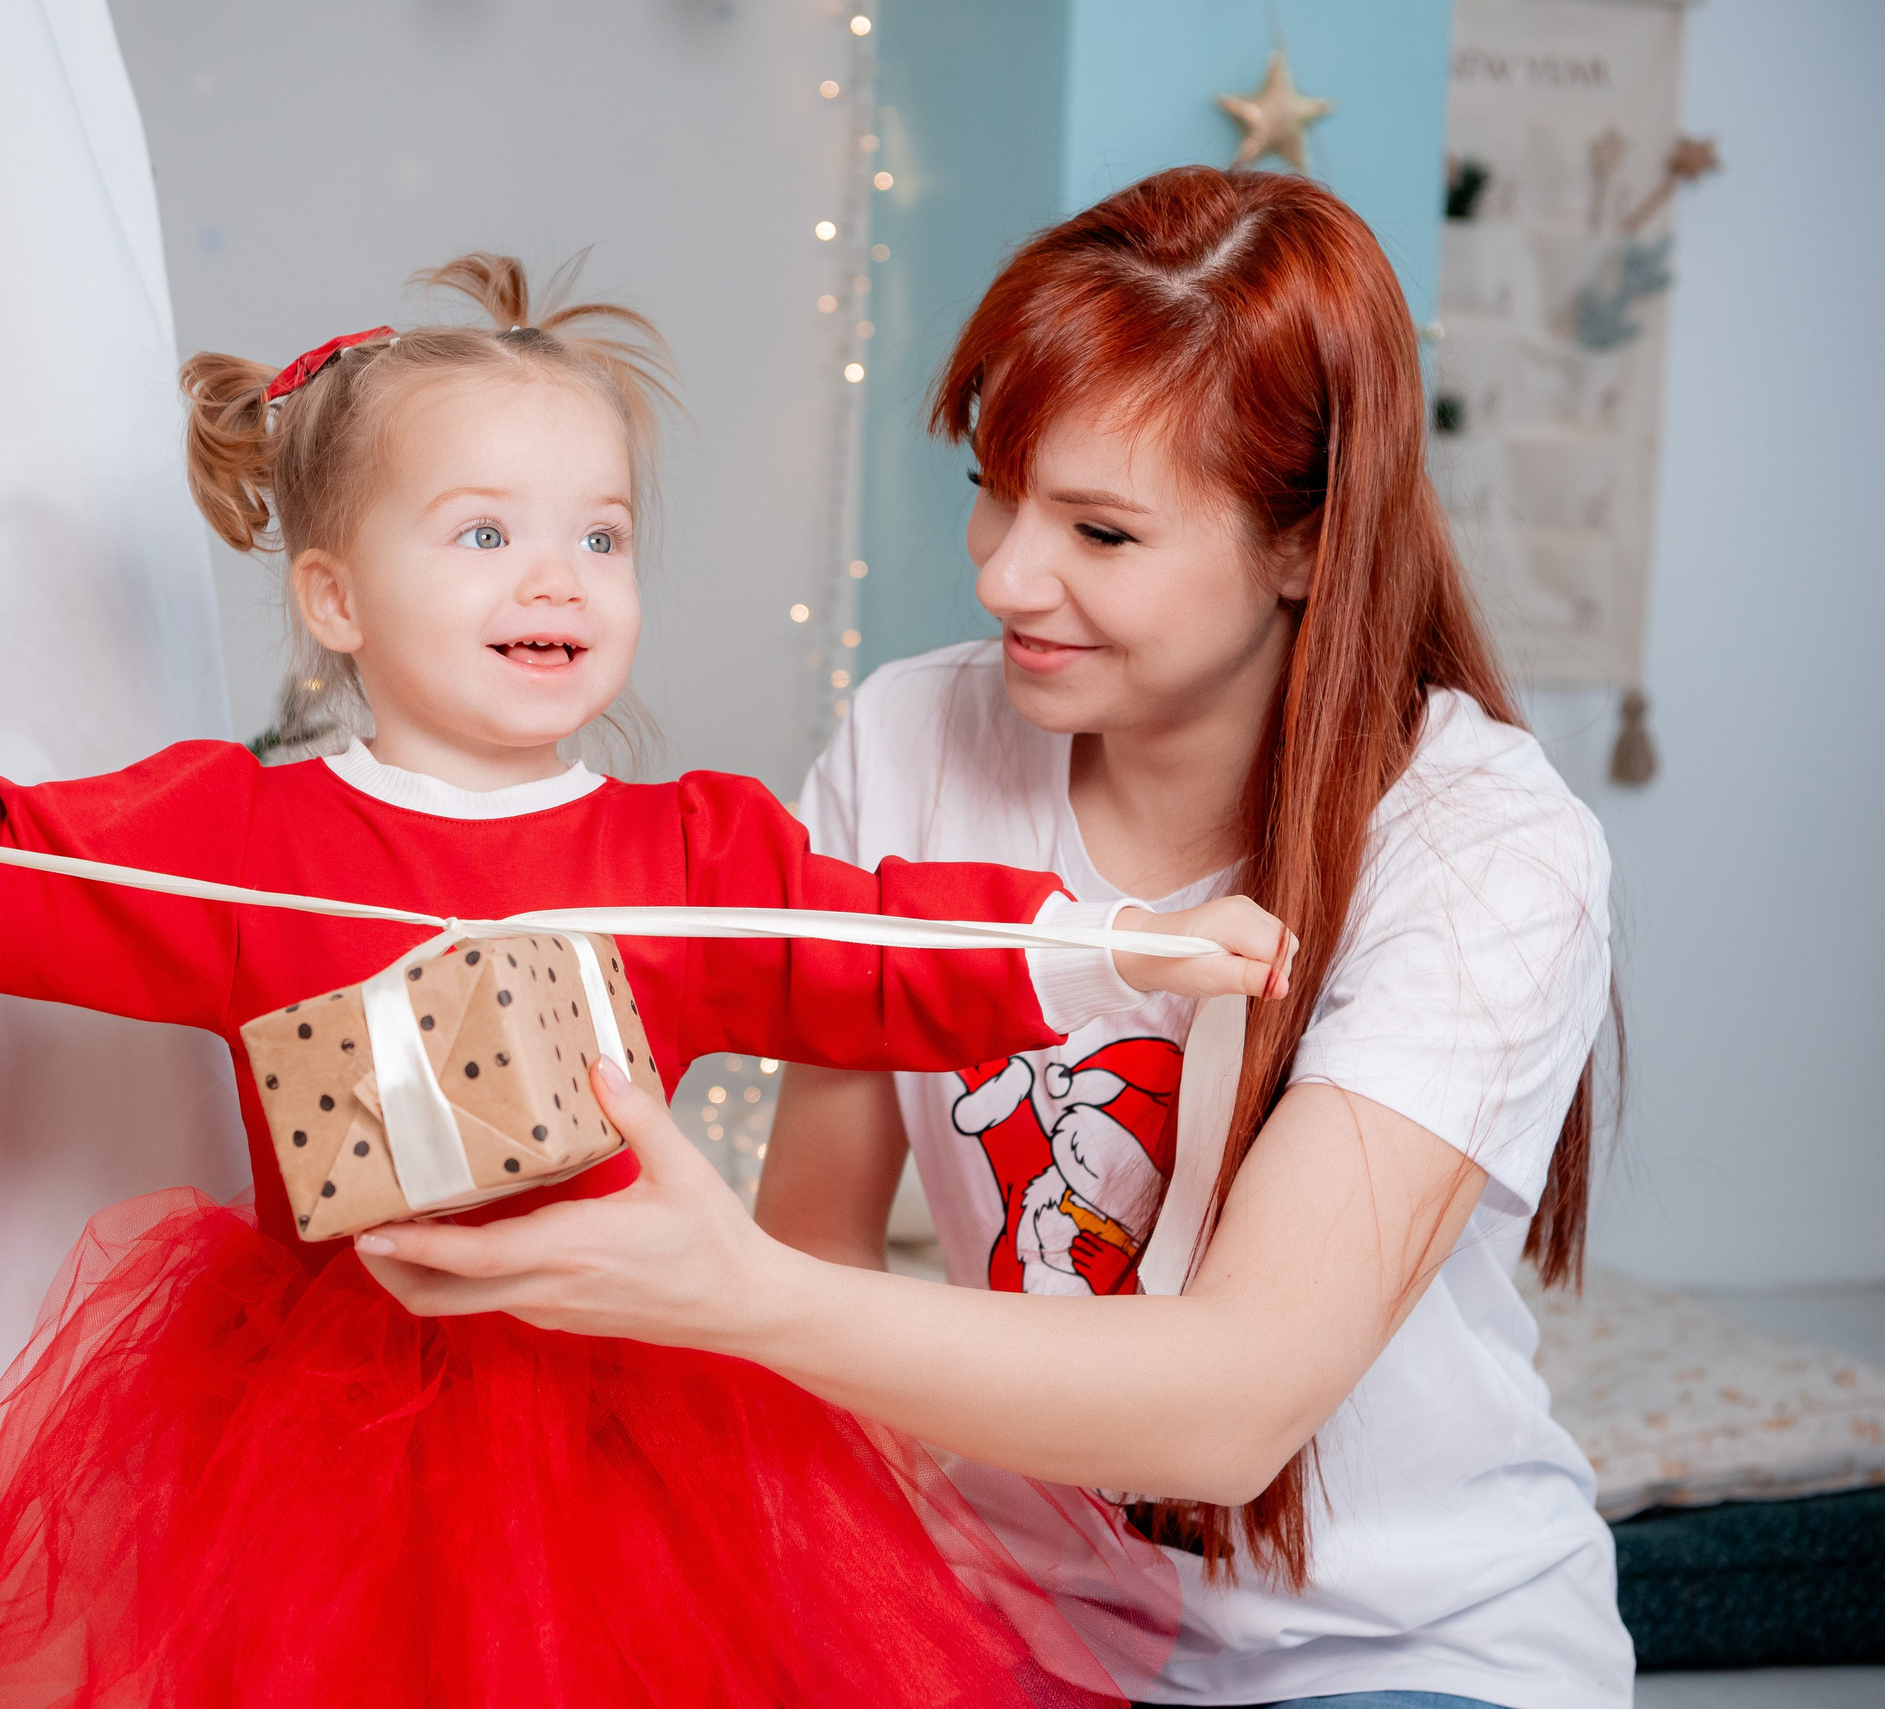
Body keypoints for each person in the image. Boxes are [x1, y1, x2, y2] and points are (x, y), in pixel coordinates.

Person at [0, 253, 1292, 1708]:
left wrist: (1128, 944)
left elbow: (885, 937)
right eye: (484, 534)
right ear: (333, 595)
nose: (558, 577)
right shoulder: (241, 835)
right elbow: (4, 875)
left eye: (600, 537)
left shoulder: (691, 850)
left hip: (640, 1410)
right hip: (311, 1428)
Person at [356, 173, 1633, 1709]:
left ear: (1305, 544)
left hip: (1404, 1655)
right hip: (999, 1626)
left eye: (1099, 529)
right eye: (996, 488)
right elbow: (821, 1232)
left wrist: (725, 1289)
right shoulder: (910, 738)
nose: (1004, 572)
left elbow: (1231, 1408)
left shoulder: (1483, 839)